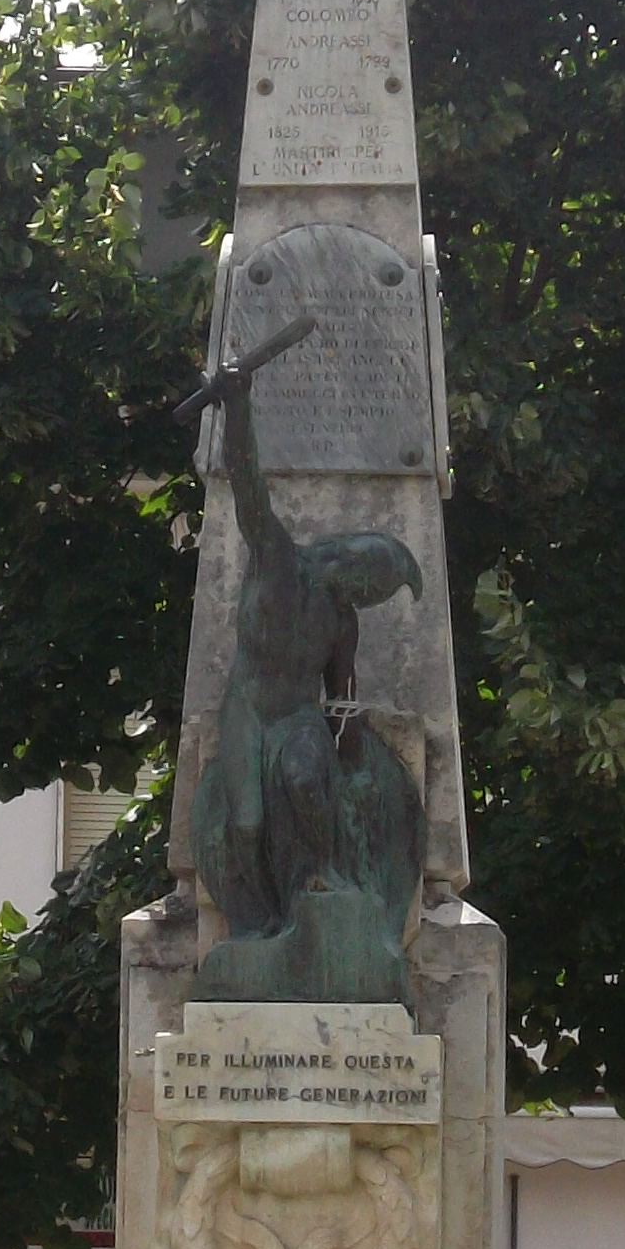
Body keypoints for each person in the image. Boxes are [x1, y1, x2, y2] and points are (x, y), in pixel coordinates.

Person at [181, 331, 424, 1008]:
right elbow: (247, 480)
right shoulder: (278, 560)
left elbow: (340, 692)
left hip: (295, 718)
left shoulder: (341, 621)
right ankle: (258, 925)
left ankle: (320, 882)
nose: (366, 597)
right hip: (248, 709)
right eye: (370, 583)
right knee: (248, 819)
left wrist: (348, 746)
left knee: (303, 778)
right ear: (348, 563)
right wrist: (238, 405)